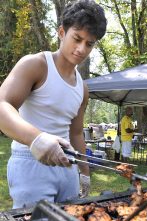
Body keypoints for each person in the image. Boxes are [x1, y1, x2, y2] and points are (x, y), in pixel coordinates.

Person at [0, 0, 107, 209]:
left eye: (89, 43)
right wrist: (37, 139)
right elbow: (2, 104)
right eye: (77, 38)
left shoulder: (82, 88)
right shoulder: (36, 65)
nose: (81, 49)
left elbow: (76, 134)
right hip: (31, 162)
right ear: (61, 32)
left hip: (68, 165)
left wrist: (84, 172)